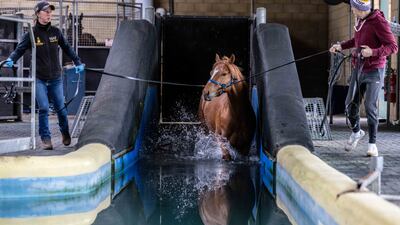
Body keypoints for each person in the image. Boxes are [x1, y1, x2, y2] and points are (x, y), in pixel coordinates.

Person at [4, 1, 85, 150]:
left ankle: (65, 132)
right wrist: (11, 59)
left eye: (50, 11)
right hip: (39, 78)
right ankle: (46, 138)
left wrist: (78, 62)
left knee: (61, 107)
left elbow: (67, 47)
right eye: (46, 11)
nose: (49, 14)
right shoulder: (31, 34)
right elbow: (19, 49)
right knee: (44, 108)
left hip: (55, 78)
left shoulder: (56, 32)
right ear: (38, 13)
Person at [330, 0, 397, 156]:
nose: (352, 10)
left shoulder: (378, 22)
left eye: (354, 8)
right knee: (349, 104)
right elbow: (356, 41)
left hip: (374, 69)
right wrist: (341, 46)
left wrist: (372, 52)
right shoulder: (361, 20)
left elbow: (393, 46)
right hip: (358, 67)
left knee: (369, 106)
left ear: (362, 8)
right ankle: (356, 132)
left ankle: (372, 144)